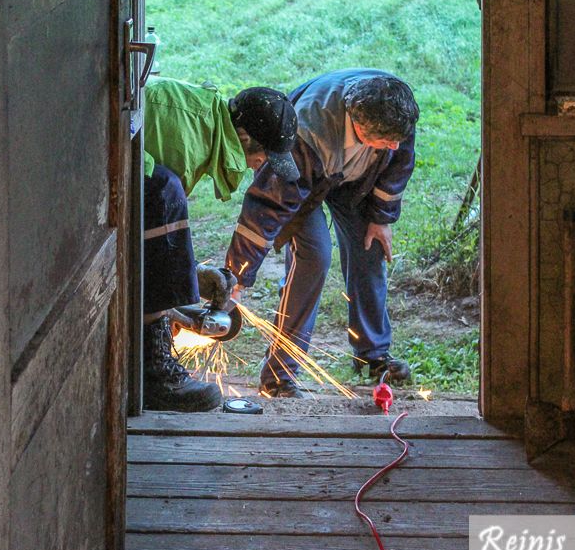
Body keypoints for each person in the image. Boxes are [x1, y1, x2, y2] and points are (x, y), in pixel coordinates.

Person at [224, 69, 420, 398]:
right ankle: (279, 374)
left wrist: (381, 218)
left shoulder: (394, 113)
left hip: (354, 180)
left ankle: (373, 355)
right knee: (314, 257)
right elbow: (266, 208)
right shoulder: (304, 137)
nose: (396, 144)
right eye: (387, 140)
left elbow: (399, 160)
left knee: (368, 248)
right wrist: (237, 276)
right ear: (359, 124)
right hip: (306, 181)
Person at [142, 76, 299, 411]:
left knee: (164, 196)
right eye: (262, 158)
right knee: (164, 193)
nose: (260, 166)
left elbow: (149, 238)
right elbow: (140, 230)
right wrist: (174, 288)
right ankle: (153, 374)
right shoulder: (188, 139)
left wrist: (191, 275)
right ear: (244, 138)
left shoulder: (203, 126)